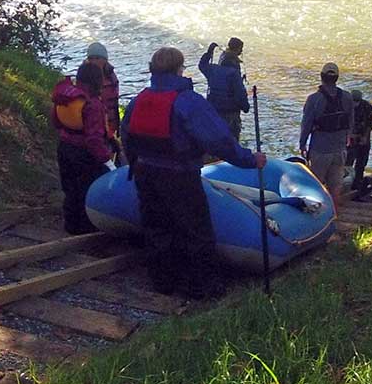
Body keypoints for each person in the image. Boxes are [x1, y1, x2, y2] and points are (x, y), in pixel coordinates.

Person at [121, 46, 266, 299]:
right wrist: (250, 160)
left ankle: (163, 281)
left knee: (157, 228)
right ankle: (202, 286)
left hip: (145, 173)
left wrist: (134, 163)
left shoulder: (139, 99)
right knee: (195, 231)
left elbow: (127, 135)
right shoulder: (188, 101)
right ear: (179, 69)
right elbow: (220, 141)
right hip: (179, 175)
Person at [50, 62, 113, 235]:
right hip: (84, 154)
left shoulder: (65, 97)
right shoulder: (93, 105)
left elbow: (55, 121)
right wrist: (107, 160)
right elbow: (94, 139)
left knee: (70, 189)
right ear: (97, 81)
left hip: (64, 148)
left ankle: (71, 225)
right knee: (88, 190)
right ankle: (88, 228)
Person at [298, 62, 353, 206]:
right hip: (340, 149)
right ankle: (334, 216)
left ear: (321, 77)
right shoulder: (347, 97)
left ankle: (319, 219)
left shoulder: (314, 99)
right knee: (335, 187)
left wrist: (302, 144)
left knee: (316, 186)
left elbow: (307, 124)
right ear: (337, 78)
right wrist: (347, 138)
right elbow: (350, 122)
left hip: (320, 150)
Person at [197, 37, 250, 142]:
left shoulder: (213, 70)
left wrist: (209, 52)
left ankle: (214, 156)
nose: (241, 51)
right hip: (230, 114)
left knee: (216, 138)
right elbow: (240, 94)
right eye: (241, 49)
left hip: (214, 111)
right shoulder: (234, 73)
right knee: (231, 142)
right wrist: (245, 107)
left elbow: (202, 65)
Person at [86, 42, 123, 162]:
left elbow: (114, 103)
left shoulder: (111, 75)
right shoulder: (85, 75)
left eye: (97, 58)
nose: (94, 61)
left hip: (111, 125)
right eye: (91, 58)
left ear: (104, 59)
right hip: (97, 126)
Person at [346, 89, 372, 192]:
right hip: (350, 139)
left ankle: (357, 185)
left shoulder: (367, 107)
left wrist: (365, 137)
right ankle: (347, 184)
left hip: (363, 137)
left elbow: (370, 123)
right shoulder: (345, 107)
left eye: (357, 101)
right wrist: (349, 136)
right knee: (347, 164)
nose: (355, 104)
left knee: (361, 163)